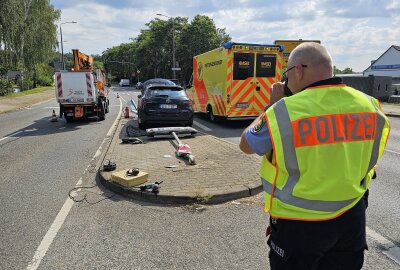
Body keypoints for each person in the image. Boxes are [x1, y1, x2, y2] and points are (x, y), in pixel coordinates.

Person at [239, 42, 390, 270]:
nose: (286, 81)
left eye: (287, 74)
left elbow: (246, 144)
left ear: (298, 70)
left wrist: (271, 105)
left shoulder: (284, 110)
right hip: (352, 218)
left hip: (300, 226)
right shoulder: (371, 106)